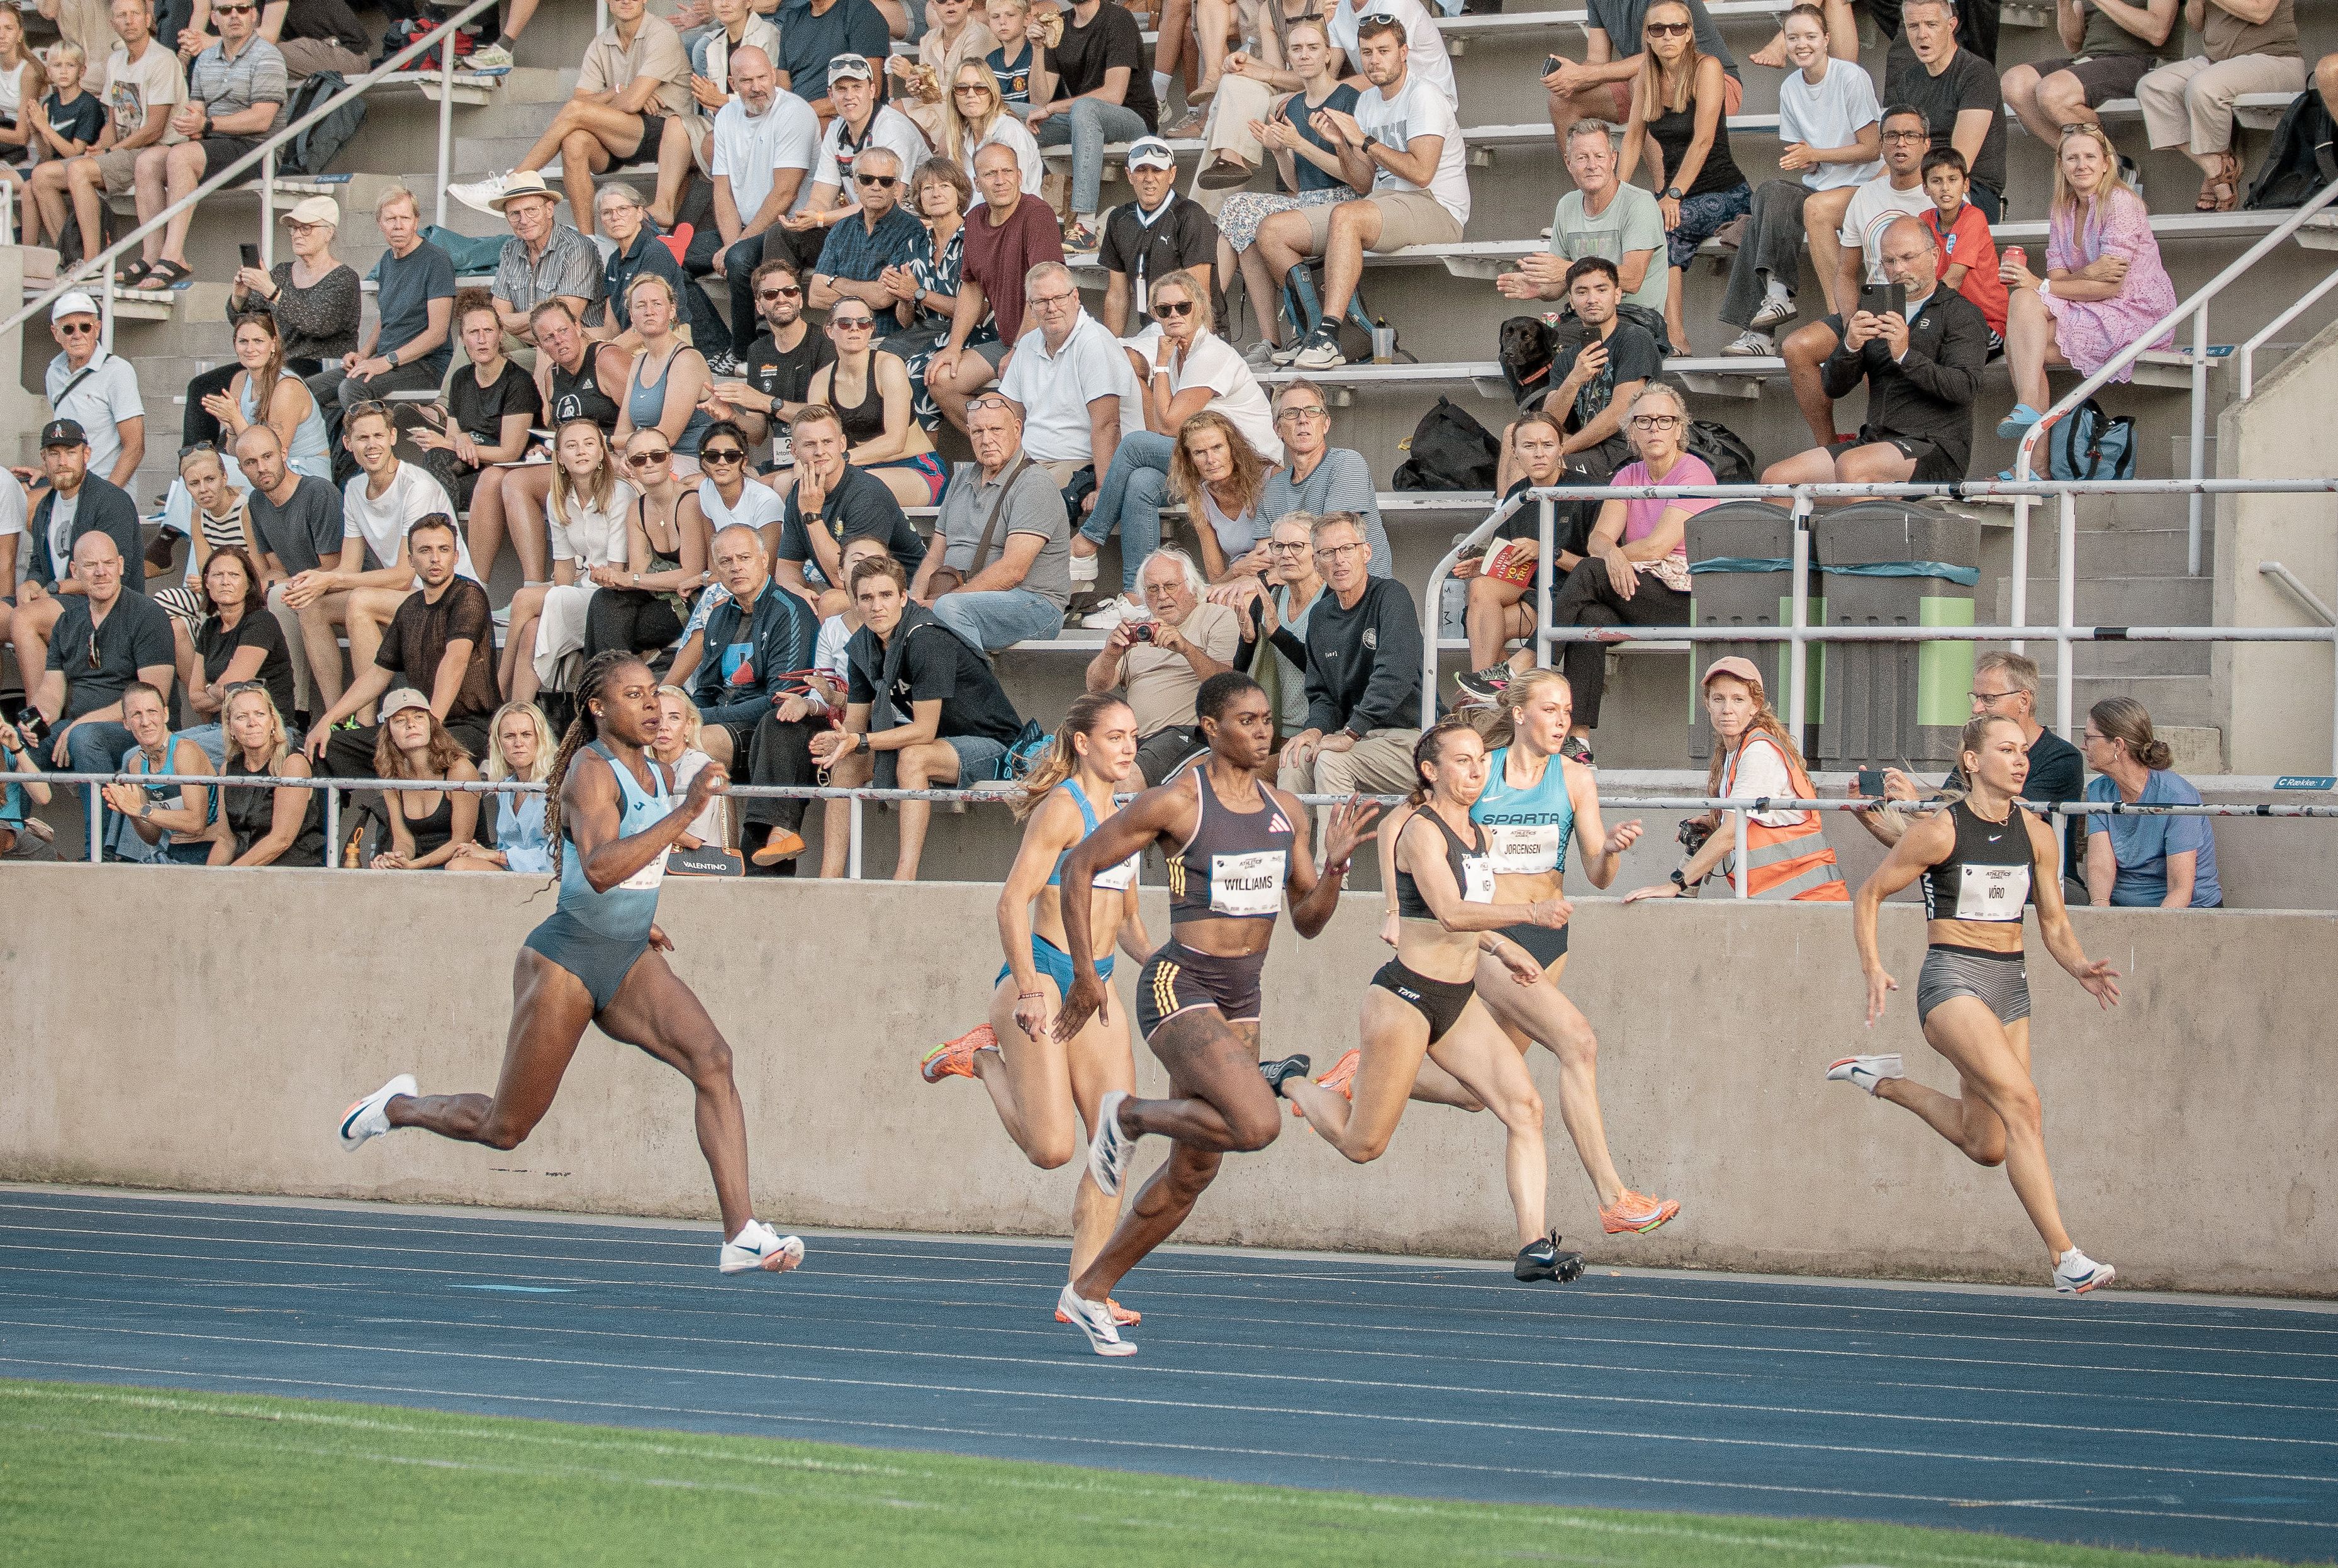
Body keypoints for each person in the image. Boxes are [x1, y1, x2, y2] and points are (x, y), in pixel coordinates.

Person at [335, 651, 808, 1280]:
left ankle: (740, 1232)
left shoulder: (651, 768)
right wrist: (687, 812)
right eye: (634, 695)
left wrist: (642, 913)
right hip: (567, 960)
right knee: (506, 1127)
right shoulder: (591, 771)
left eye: (654, 694)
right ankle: (395, 1108)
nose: (649, 706)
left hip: (627, 953)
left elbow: (631, 867)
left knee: (713, 1059)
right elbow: (600, 865)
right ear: (597, 707)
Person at [1048, 671, 1375, 1355]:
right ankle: (1126, 1114)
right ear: (1210, 727)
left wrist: (1337, 869)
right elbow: (1078, 865)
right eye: (1247, 721)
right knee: (1255, 1123)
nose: (1262, 732)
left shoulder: (1287, 809)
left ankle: (1088, 1290)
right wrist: (1084, 970)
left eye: (1266, 720)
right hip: (1178, 982)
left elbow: (1307, 920)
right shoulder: (1176, 802)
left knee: (1192, 1172)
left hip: (1242, 997)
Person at [1366, 670, 1675, 1235]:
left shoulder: (1576, 779)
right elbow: (1396, 826)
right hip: (1491, 939)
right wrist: (1393, 906)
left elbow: (1599, 876)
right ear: (1518, 713)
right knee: (1578, 1041)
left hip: (1548, 937)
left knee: (1480, 1093)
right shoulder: (1481, 770)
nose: (1561, 721)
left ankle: (1369, 1073)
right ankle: (1613, 1197)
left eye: (1567, 711)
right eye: (1550, 710)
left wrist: (1610, 849)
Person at [1838, 710, 2123, 1296]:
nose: (2020, 761)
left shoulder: (2038, 834)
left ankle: (1882, 1081)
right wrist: (1873, 965)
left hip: (2010, 984)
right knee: (2023, 1103)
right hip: (1952, 981)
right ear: (1972, 761)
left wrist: (2080, 967)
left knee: (1988, 1144)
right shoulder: (1942, 830)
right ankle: (2065, 1258)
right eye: (2006, 750)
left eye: (2024, 751)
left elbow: (2056, 926)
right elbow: (1870, 893)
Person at [1285, 720, 1582, 1280]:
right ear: (1431, 771)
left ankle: (1534, 1245)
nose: (1476, 772)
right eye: (1463, 762)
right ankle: (1292, 1081)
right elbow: (1447, 911)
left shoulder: (1481, 836)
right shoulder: (1420, 833)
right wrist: (1527, 917)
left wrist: (1499, 948)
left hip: (1458, 998)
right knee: (1362, 1144)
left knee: (1525, 1108)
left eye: (1480, 762)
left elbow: (1466, 915)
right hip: (1406, 997)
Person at [919, 694, 1151, 1323]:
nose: (1128, 746)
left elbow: (1126, 919)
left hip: (1095, 984)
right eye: (1114, 736)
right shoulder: (1062, 809)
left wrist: (1162, 968)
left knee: (1114, 1141)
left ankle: (1083, 1289)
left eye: (1133, 735)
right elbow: (1010, 902)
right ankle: (981, 1059)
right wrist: (1025, 988)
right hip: (1047, 974)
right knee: (1050, 1149)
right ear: (1082, 743)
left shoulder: (1126, 814)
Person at [1261, 16, 1468, 372]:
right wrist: (1341, 145)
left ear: (1404, 53)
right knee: (1272, 231)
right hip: (1383, 201)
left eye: (1384, 51)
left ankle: (1330, 334)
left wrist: (1365, 141)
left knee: (1347, 214)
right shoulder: (1368, 101)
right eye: (1367, 52)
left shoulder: (1425, 96)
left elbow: (1421, 174)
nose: (1374, 60)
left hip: (1436, 207)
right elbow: (1361, 183)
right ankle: (1313, 334)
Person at [1073, 269, 1278, 619]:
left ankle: (1090, 539)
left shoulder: (1211, 354)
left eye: (1182, 308)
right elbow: (1167, 431)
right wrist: (1154, 373)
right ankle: (1137, 598)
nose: (1173, 317)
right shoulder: (1177, 355)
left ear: (1199, 308)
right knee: (1139, 483)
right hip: (1205, 466)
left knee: (1136, 445)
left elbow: (1169, 423)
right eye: (1163, 310)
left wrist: (1160, 367)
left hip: (1248, 467)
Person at [814, 553, 1027, 879]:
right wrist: (839, 741)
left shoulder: (926, 637)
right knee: (847, 763)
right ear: (856, 604)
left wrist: (861, 739)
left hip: (993, 744)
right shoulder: (863, 646)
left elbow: (923, 730)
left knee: (914, 757)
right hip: (941, 741)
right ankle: (827, 880)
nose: (876, 606)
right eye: (867, 598)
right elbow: (855, 730)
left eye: (886, 595)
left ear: (903, 597)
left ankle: (905, 877)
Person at [1761, 217, 1988, 490]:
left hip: (1935, 446)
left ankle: (1865, 532)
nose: (1900, 269)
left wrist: (1905, 355)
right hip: (1875, 442)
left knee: (1854, 468)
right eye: (1890, 262)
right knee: (1776, 481)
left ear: (1935, 256)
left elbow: (1965, 388)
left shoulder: (1962, 313)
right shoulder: (1874, 310)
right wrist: (1850, 346)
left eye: (1908, 257)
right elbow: (1833, 387)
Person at [1544, 384, 1705, 764]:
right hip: (1632, 587)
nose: (1654, 429)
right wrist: (1613, 557)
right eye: (1644, 421)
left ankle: (1532, 664)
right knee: (1589, 616)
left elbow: (1657, 547)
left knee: (1588, 572)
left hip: (1680, 598)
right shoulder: (1628, 476)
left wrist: (1613, 558)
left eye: (1664, 421)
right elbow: (1600, 538)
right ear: (1630, 431)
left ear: (1680, 428)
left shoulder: (1693, 472)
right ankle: (1578, 738)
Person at [452, 0, 702, 235]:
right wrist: (618, 91)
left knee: (575, 113)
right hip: (622, 133)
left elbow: (612, 104)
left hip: (669, 133)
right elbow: (585, 98)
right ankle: (589, 241)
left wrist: (620, 99)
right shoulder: (601, 42)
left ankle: (513, 181)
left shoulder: (661, 33)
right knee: (574, 140)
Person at [1714, 7, 1881, 357]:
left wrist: (1815, 154)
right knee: (1769, 195)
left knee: (1765, 218)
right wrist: (1810, 158)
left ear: (1826, 40)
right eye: (1793, 38)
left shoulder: (1851, 77)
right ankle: (1776, 297)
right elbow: (1807, 157)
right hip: (1821, 185)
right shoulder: (1790, 87)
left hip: (1864, 185)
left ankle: (1762, 332)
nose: (1801, 45)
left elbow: (1872, 148)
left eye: (1809, 36)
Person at [1997, 125, 2178, 445]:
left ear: (2107, 162)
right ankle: (2030, 426)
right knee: (2025, 320)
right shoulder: (2063, 208)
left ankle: (2033, 449)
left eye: (2090, 157)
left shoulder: (2121, 203)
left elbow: (2110, 289)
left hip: (2135, 313)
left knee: (2022, 339)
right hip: (2089, 306)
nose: (2082, 165)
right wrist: (2091, 271)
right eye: (2073, 158)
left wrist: (2044, 285)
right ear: (2061, 165)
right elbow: (2060, 279)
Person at [1853, 651, 2088, 892]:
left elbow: (2001, 826)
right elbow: (1925, 840)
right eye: (1976, 697)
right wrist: (1866, 813)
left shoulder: (2062, 758)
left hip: (2033, 883)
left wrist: (1919, 805)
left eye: (1988, 698)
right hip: (1972, 880)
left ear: (2024, 701)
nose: (1977, 708)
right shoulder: (1978, 753)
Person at [1626, 656, 1849, 901]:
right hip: (1786, 904)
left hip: (1810, 903)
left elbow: (1732, 833)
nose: (1727, 709)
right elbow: (1750, 823)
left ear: (1755, 706)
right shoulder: (1736, 750)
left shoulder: (1758, 753)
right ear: (1708, 704)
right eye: (1718, 699)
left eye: (1738, 699)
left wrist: (1676, 884)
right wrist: (1716, 821)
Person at [303, 514, 500, 774]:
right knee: (324, 749)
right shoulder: (410, 607)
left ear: (455, 557)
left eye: (443, 550)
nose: (435, 559)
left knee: (420, 754)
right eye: (425, 550)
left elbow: (455, 662)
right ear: (411, 561)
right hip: (416, 727)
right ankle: (369, 812)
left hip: (473, 726)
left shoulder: (469, 595)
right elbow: (377, 674)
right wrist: (328, 720)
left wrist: (432, 729)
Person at [1212, 20, 1359, 360]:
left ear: (1327, 56)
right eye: (1296, 49)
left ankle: (1206, 318)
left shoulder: (1348, 98)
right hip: (1307, 202)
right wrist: (1278, 149)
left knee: (1240, 214)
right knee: (1238, 215)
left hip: (1344, 203)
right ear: (1289, 58)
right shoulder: (1292, 105)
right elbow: (1296, 184)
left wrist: (1299, 144)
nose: (1304, 55)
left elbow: (1356, 177)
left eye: (1313, 48)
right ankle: (1269, 340)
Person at [681, 524, 823, 869]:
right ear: (715, 568)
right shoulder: (718, 615)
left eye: (744, 558)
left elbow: (781, 696)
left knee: (701, 741)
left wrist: (696, 719)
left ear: (764, 560)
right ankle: (691, 846)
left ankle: (716, 853)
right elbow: (706, 689)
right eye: (725, 561)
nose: (736, 568)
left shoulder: (790, 611)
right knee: (668, 737)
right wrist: (685, 714)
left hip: (766, 725)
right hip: (727, 718)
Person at [1769, 106, 1935, 398]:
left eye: (1911, 135)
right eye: (1892, 136)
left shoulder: (1939, 194)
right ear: (1881, 144)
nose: (1901, 143)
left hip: (1927, 306)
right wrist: (1851, 324)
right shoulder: (1866, 195)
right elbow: (1845, 273)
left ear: (1926, 143)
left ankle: (1884, 435)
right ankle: (1830, 443)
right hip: (1876, 305)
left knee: (1883, 356)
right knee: (1796, 347)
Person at [125, 0, 284, 293]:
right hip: (213, 142)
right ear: (214, 18)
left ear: (255, 15)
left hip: (258, 147)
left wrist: (208, 125)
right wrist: (192, 123)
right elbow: (196, 108)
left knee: (181, 156)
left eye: (243, 8)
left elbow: (262, 119)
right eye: (226, 10)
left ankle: (175, 257)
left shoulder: (268, 56)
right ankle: (153, 254)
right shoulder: (207, 57)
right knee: (147, 161)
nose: (234, 15)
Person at [184, 195, 359, 451]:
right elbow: (246, 324)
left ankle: (237, 450)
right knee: (202, 387)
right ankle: (195, 464)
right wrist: (239, 298)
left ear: (328, 233)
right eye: (293, 228)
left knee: (264, 393)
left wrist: (273, 292)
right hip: (273, 358)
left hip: (319, 364)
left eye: (306, 228)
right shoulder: (281, 272)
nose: (297, 234)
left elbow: (318, 324)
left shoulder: (344, 278)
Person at [911, 393, 1071, 651]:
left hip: (1034, 604)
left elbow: (1013, 571)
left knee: (948, 610)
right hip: (964, 598)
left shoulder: (1034, 484)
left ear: (1017, 429)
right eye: (978, 432)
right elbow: (934, 557)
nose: (987, 440)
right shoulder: (961, 480)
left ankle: (977, 688)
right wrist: (915, 601)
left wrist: (944, 602)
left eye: (996, 429)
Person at [1277, 511, 1421, 798]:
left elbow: (1394, 676)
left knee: (1331, 761)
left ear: (1366, 552)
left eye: (1347, 549)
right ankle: (1293, 845)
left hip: (1407, 738)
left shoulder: (1391, 596)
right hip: (1356, 738)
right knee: (1294, 759)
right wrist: (1314, 730)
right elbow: (1322, 695)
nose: (1339, 560)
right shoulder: (1320, 615)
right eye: (1328, 553)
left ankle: (1333, 846)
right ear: (1317, 563)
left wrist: (1351, 732)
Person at [925, 148, 1068, 433]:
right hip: (1006, 340)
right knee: (940, 380)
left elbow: (1044, 292)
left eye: (1007, 172)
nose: (1000, 180)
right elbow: (972, 287)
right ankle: (998, 449)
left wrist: (1019, 350)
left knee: (1012, 401)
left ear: (1019, 176)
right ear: (978, 183)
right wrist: (954, 346)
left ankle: (1020, 457)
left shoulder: (1037, 214)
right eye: (991, 174)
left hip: (1048, 341)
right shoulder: (976, 219)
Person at [26, 533, 176, 792]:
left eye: (108, 563)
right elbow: (50, 693)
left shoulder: (148, 615)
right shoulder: (67, 622)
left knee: (84, 738)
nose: (100, 572)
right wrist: (31, 724)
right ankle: (13, 829)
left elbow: (152, 699)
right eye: (90, 565)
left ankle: (98, 833)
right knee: (20, 741)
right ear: (75, 571)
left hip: (137, 729)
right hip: (79, 730)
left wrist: (79, 725)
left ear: (121, 565)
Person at [1497, 257, 1658, 492]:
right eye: (1582, 292)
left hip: (1624, 453)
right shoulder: (1566, 356)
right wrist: (1574, 379)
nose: (1592, 299)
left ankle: (1511, 526)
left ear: (1617, 295)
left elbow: (1622, 411)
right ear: (1571, 300)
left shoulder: (1633, 339)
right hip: (1587, 450)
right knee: (1515, 433)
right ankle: (1504, 522)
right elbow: (1548, 421)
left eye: (1601, 290)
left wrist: (1564, 448)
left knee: (1536, 462)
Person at [705, 47, 822, 367]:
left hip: (783, 226)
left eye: (762, 77)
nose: (757, 87)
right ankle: (714, 343)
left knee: (740, 260)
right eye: (746, 80)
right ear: (732, 83)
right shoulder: (727, 116)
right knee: (678, 257)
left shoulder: (793, 112)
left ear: (773, 74)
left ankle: (746, 354)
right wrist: (731, 242)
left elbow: (785, 193)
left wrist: (736, 247)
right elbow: (722, 188)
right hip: (741, 228)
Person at [418, 293, 545, 586]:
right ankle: (439, 549)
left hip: (511, 468)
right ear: (463, 339)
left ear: (501, 335)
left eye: (489, 331)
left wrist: (461, 444)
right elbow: (452, 435)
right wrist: (459, 439)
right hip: (472, 466)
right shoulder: (462, 378)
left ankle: (472, 584)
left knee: (463, 468)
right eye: (474, 333)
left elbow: (511, 451)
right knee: (433, 460)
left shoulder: (518, 381)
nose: (482, 339)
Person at [1455, 410, 1580, 705]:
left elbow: (1595, 568)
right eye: (1528, 446)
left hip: (1571, 599)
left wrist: (1546, 551)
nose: (1539, 454)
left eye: (1547, 445)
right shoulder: (1517, 493)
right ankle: (1489, 692)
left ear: (1561, 448)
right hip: (1530, 594)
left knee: (1484, 627)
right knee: (1482, 588)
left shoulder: (1587, 491)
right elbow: (1516, 560)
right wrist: (1487, 563)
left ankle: (1482, 698)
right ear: (1514, 453)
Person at [9, 417, 145, 687]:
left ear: (86, 455)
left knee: (24, 618)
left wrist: (52, 588)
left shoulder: (110, 500)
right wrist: (30, 584)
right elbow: (39, 562)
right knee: (5, 614)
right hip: (57, 600)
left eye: (71, 453)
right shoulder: (46, 505)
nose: (62, 461)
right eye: (54, 454)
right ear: (43, 459)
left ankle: (37, 719)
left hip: (105, 607)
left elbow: (115, 574)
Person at [1085, 547, 1238, 785]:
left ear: (1192, 586)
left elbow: (1227, 687)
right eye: (1153, 589)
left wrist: (1185, 648)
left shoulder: (1217, 617)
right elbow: (1096, 686)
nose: (1162, 596)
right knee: (1074, 769)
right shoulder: (1140, 629)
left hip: (1187, 734)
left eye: (1171, 586)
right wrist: (1110, 654)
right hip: (1134, 738)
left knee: (1126, 780)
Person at [507, 420, 634, 704]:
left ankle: (497, 693)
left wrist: (559, 596)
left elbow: (616, 571)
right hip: (581, 589)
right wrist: (560, 598)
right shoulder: (558, 498)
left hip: (611, 597)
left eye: (589, 444)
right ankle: (519, 711)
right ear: (560, 457)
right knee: (531, 629)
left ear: (602, 453)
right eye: (571, 446)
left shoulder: (620, 494)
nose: (581, 451)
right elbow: (564, 567)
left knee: (524, 599)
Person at [55, 0, 182, 282]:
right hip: (123, 151)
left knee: (78, 171)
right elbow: (113, 122)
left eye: (135, 14)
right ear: (113, 23)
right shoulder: (115, 61)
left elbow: (154, 129)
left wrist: (109, 151)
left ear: (149, 19)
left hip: (155, 151)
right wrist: (100, 148)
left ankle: (92, 262)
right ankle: (67, 258)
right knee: (42, 177)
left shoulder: (162, 60)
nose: (128, 20)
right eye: (121, 16)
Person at [2140, 0, 2303, 212]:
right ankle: (2214, 165)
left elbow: (2260, 12)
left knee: (2203, 86)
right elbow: (2196, 23)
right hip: (2217, 64)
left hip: (2275, 61)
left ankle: (2217, 176)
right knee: (2152, 87)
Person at [1501, 120, 1669, 325]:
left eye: (1599, 156)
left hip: (1637, 320)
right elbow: (1559, 283)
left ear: (1613, 159)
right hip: (1584, 317)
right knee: (1531, 345)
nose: (1592, 165)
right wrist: (1539, 287)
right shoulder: (1567, 205)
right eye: (1582, 158)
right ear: (1568, 163)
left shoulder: (1639, 203)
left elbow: (1633, 279)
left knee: (1575, 344)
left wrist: (1568, 269)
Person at [773, 57, 928, 278]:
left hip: (904, 227)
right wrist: (807, 216)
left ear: (873, 90)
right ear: (831, 94)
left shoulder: (892, 128)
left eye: (857, 87)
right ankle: (783, 301)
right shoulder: (837, 130)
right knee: (782, 234)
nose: (849, 96)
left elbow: (887, 202)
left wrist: (820, 219)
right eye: (841, 89)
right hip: (862, 224)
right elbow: (821, 198)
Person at [313, 186, 454, 424]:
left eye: (405, 218)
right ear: (380, 223)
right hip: (387, 361)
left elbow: (438, 334)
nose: (398, 226)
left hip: (424, 366)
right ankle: (336, 455)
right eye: (391, 219)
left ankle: (379, 450)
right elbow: (386, 317)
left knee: (351, 389)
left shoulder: (436, 260)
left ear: (416, 221)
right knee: (306, 390)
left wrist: (385, 362)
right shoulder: (387, 261)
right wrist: (363, 354)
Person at [1029, 0, 1160, 254]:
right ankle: (1016, 218)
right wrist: (1037, 50)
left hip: (1134, 119)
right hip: (1082, 120)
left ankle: (1085, 226)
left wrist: (1055, 108)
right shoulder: (1060, 23)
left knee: (1084, 108)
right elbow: (1039, 102)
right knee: (1007, 111)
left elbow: (1114, 94)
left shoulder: (1118, 19)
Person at [771, 404, 927, 614]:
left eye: (827, 442)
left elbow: (847, 578)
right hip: (857, 590)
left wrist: (812, 515)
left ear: (842, 444)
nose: (820, 451)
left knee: (831, 602)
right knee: (785, 600)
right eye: (809, 444)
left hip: (900, 593)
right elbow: (787, 567)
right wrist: (796, 591)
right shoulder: (799, 493)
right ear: (794, 451)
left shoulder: (866, 493)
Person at [234, 424, 343, 718]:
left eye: (268, 457)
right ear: (241, 468)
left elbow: (333, 565)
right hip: (302, 589)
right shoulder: (257, 502)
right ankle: (294, 713)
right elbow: (275, 568)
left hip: (343, 584)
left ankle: (308, 712)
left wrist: (281, 585)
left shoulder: (318, 492)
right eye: (251, 463)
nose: (262, 468)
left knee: (282, 595)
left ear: (284, 452)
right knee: (272, 596)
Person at [584, 427, 712, 665]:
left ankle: (606, 687)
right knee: (604, 599)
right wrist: (613, 579)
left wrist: (627, 580)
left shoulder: (690, 501)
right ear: (630, 468)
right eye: (639, 459)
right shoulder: (637, 508)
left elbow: (691, 573)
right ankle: (608, 685)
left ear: (670, 460)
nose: (649, 463)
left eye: (658, 456)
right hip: (659, 597)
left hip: (692, 597)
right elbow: (640, 573)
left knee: (613, 627)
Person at [805, 298, 947, 507]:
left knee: (854, 488)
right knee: (789, 484)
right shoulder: (821, 381)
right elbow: (815, 436)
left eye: (863, 322)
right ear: (830, 331)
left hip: (915, 468)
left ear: (871, 329)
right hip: (858, 470)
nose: (855, 328)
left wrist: (839, 460)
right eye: (845, 323)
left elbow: (895, 442)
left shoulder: (889, 365)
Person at [2083, 696, 2222, 908]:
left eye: (2089, 738)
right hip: (2124, 910)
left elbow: (2180, 888)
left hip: (2185, 914)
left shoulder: (2177, 796)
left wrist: (2150, 933)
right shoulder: (2098, 791)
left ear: (2118, 745)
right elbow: (2101, 865)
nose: (2084, 746)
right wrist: (2102, 913)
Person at [705, 258, 836, 466]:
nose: (782, 298)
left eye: (790, 291)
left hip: (821, 458)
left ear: (800, 299)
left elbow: (825, 418)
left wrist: (766, 402)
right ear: (759, 305)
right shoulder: (758, 351)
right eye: (771, 294)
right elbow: (757, 434)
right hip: (781, 460)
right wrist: (731, 416)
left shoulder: (826, 342)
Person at [1540, 0, 1741, 135]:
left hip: (1714, 83)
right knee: (1562, 102)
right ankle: (1599, 196)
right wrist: (1571, 76)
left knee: (1643, 82)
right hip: (1647, 84)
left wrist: (1585, 75)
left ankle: (1666, 194)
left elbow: (1664, 52)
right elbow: (1597, 59)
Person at [1883, 0, 2005, 221]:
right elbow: (1896, 151)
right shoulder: (1908, 80)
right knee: (1849, 205)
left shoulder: (1977, 73)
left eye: (1931, 25)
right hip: (1918, 183)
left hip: (1968, 188)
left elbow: (1958, 162)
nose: (1922, 35)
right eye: (1913, 26)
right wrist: (1877, 188)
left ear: (1951, 25)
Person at [2003, 0, 2181, 149]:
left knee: (2053, 91)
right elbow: (2074, 44)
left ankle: (2106, 168)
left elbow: (2158, 31)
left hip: (2140, 62)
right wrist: (2064, 4)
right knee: (2015, 83)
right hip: (2091, 60)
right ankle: (2096, 163)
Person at [1256, 381, 1390, 578]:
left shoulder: (1347, 463)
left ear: (1326, 424)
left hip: (1358, 598)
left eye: (1312, 411)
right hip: (1299, 595)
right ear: (1278, 429)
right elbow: (1265, 557)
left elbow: (1330, 546)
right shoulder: (1273, 488)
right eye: (1291, 413)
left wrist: (1267, 579)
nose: (1303, 420)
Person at [174, 545, 295, 758]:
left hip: (267, 730)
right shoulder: (209, 629)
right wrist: (221, 690)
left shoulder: (261, 622)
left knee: (178, 754)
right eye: (218, 575)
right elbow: (195, 699)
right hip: (220, 729)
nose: (225, 581)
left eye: (234, 575)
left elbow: (230, 688)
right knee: (136, 755)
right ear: (207, 583)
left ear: (248, 583)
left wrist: (214, 689)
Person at [808, 146, 931, 349]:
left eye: (886, 181)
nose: (876, 186)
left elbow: (884, 297)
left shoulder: (911, 230)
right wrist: (869, 291)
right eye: (867, 179)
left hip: (886, 341)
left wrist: (834, 281)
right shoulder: (841, 228)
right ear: (855, 184)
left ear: (897, 188)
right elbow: (815, 295)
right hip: (840, 340)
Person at [1100, 137, 1219, 336]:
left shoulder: (1190, 214)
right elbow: (1117, 295)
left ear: (1171, 174)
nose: (1149, 178)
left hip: (1197, 332)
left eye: (1157, 170)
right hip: (1151, 331)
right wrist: (1110, 350)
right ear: (1129, 175)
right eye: (1141, 170)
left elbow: (1198, 295)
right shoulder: (1118, 219)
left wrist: (1184, 352)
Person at [99, 679, 223, 864]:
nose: (146, 722)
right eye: (137, 714)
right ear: (126, 723)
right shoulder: (136, 764)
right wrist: (129, 810)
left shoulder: (184, 752)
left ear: (165, 714)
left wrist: (140, 809)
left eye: (152, 712)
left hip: (210, 850)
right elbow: (153, 836)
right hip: (174, 850)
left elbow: (196, 823)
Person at [208, 310, 331, 491]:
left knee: (212, 480)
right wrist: (231, 428)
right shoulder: (240, 380)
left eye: (258, 341)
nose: (250, 349)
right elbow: (236, 451)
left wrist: (236, 419)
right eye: (243, 341)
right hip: (260, 467)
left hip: (301, 471)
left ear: (273, 344)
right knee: (202, 470)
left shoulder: (287, 387)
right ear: (235, 346)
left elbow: (272, 454)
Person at [485, 172, 607, 350]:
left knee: (490, 348)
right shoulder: (510, 250)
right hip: (529, 342)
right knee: (476, 340)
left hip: (572, 347)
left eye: (531, 210)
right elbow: (497, 317)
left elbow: (564, 317)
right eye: (515, 214)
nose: (524, 220)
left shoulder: (577, 247)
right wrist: (531, 324)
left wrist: (509, 325)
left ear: (549, 210)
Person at [151, 444, 255, 647]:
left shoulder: (245, 510)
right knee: (160, 603)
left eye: (210, 479)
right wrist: (205, 583)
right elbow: (205, 567)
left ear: (224, 477)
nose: (203, 489)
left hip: (245, 591)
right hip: (213, 590)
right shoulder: (198, 515)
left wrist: (214, 583)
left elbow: (258, 567)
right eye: (194, 483)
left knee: (212, 613)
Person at [367, 689, 482, 871]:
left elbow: (461, 841)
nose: (411, 725)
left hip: (461, 865)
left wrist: (413, 866)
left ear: (432, 725)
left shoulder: (460, 769)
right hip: (417, 865)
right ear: (389, 733)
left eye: (419, 717)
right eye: (399, 720)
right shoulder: (391, 777)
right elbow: (403, 840)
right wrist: (397, 859)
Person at [216, 683, 327, 866]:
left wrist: (229, 876)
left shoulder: (293, 763)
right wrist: (205, 883)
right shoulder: (228, 768)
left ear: (273, 721)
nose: (252, 723)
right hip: (245, 874)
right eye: (242, 717)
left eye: (260, 714)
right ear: (230, 727)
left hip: (291, 873)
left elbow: (281, 839)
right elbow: (226, 841)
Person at [43, 291, 145, 489]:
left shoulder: (117, 371)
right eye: (68, 329)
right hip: (70, 488)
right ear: (56, 333)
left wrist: (107, 496)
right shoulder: (53, 372)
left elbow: (135, 445)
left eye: (85, 327)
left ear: (97, 329)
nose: (77, 335)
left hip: (106, 486)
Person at [613, 273, 713, 471]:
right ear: (632, 316)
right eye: (641, 305)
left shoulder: (686, 359)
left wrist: (606, 440)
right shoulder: (639, 362)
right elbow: (623, 428)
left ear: (672, 311)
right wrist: (626, 454)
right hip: (648, 458)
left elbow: (667, 436)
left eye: (657, 304)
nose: (649, 311)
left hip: (689, 460)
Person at [1166, 409, 1275, 585]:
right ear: (1190, 459)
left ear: (1233, 447)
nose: (1211, 460)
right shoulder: (1200, 497)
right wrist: (1238, 570)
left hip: (1274, 578)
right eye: (1200, 452)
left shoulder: (1270, 478)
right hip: (1235, 582)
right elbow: (1216, 579)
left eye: (1217, 448)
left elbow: (1278, 558)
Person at [9, 42, 98, 250]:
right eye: (57, 66)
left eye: (70, 65)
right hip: (49, 168)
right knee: (29, 188)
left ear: (82, 70)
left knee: (34, 183)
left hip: (79, 169)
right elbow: (47, 156)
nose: (64, 71)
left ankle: (69, 251)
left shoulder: (88, 105)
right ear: (49, 71)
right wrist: (36, 133)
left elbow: (75, 153)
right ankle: (28, 253)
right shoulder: (51, 102)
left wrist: (45, 128)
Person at [597, 179, 705, 350]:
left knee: (601, 362)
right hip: (632, 338)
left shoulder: (654, 252)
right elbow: (612, 328)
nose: (615, 217)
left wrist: (604, 353)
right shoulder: (614, 260)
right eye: (607, 213)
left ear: (639, 213)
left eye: (623, 209)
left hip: (664, 338)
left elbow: (652, 323)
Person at [452, 700, 557, 875]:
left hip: (549, 877)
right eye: (509, 736)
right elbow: (505, 845)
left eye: (526, 734)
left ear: (541, 739)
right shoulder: (506, 788)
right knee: (459, 865)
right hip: (514, 873)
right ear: (499, 744)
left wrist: (495, 856)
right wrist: (480, 853)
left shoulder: (557, 784)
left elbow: (557, 857)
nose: (518, 743)